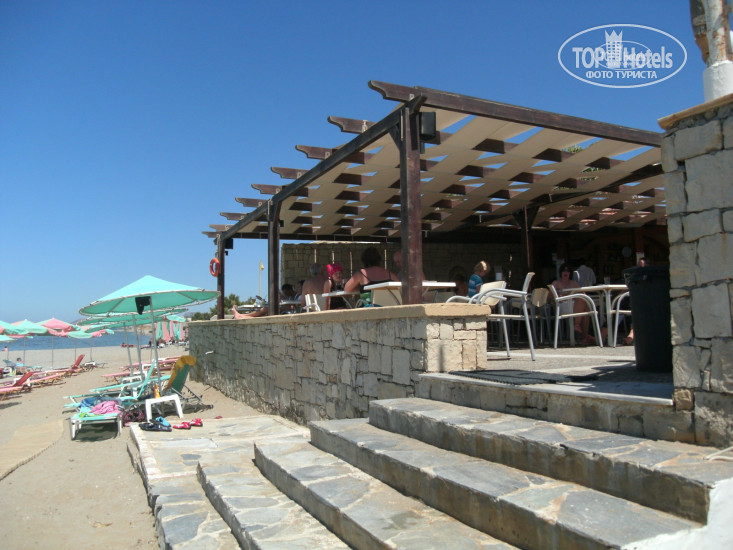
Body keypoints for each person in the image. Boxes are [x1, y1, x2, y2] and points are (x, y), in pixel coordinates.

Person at [552, 264, 595, 345]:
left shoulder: (574, 283)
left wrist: (570, 295)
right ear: (560, 272)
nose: (565, 272)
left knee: (584, 306)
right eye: (563, 270)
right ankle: (579, 328)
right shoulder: (556, 283)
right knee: (584, 306)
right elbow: (550, 297)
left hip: (574, 306)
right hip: (562, 306)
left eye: (568, 271)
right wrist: (560, 296)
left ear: (570, 273)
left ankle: (582, 335)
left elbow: (583, 294)